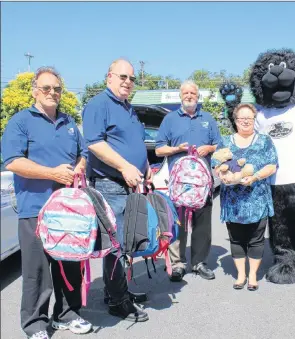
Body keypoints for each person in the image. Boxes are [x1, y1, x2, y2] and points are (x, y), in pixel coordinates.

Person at [1, 67, 92, 339]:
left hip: (69, 210)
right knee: (36, 272)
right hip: (35, 209)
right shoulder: (21, 121)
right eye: (46, 88)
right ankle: (35, 324)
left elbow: (83, 153)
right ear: (34, 91)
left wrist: (79, 166)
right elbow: (14, 161)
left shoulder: (68, 123)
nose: (52, 93)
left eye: (57, 89)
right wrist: (52, 173)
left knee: (69, 265)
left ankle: (66, 315)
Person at [82, 59, 151, 322]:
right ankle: (117, 300)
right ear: (109, 77)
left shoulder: (127, 107)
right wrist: (124, 166)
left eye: (132, 78)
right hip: (111, 184)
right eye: (123, 77)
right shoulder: (100, 104)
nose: (128, 82)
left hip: (130, 183)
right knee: (116, 245)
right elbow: (95, 143)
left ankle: (119, 291)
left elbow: (132, 141)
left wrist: (145, 165)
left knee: (125, 242)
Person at [155, 80, 221, 281]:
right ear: (180, 96)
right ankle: (178, 264)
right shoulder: (170, 119)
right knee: (178, 223)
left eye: (193, 93)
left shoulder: (208, 119)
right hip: (179, 185)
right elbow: (159, 149)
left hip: (202, 184)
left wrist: (209, 149)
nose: (189, 96)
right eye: (186, 93)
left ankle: (199, 262)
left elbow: (220, 145)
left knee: (203, 225)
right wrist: (177, 149)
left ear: (197, 95)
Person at [211, 103, 278, 291]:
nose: (246, 122)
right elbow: (216, 163)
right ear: (235, 120)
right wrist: (222, 175)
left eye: (249, 118)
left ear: (254, 120)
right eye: (242, 119)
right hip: (233, 202)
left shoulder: (265, 141)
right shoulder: (225, 141)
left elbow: (272, 165)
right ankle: (240, 275)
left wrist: (255, 177)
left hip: (257, 198)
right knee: (236, 239)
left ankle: (253, 275)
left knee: (256, 239)